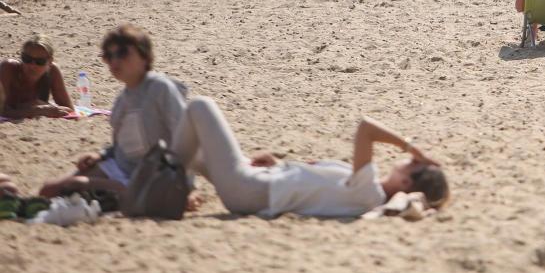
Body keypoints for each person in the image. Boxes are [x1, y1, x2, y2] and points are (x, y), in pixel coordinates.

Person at [171, 96, 448, 218]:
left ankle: (168, 191)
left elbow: (365, 128)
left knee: (200, 105)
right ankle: (163, 186)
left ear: (406, 184)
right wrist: (280, 166)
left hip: (249, 190)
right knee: (187, 146)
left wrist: (411, 147)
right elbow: (313, 189)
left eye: (412, 165)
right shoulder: (366, 189)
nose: (408, 160)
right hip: (258, 183)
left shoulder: (370, 193)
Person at [40, 25, 190, 200]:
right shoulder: (122, 100)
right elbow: (123, 147)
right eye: (109, 56)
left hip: (150, 172)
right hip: (119, 166)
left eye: (122, 53)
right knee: (48, 190)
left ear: (145, 56)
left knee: (76, 186)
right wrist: (101, 155)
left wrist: (187, 187)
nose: (114, 61)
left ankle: (127, 192)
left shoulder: (160, 88)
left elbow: (185, 140)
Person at [0, 35, 74, 119]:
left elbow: (69, 109)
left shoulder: (52, 71)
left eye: (40, 61)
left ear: (50, 61)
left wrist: (36, 106)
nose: (32, 65)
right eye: (27, 59)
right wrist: (38, 109)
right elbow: (2, 111)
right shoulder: (8, 68)